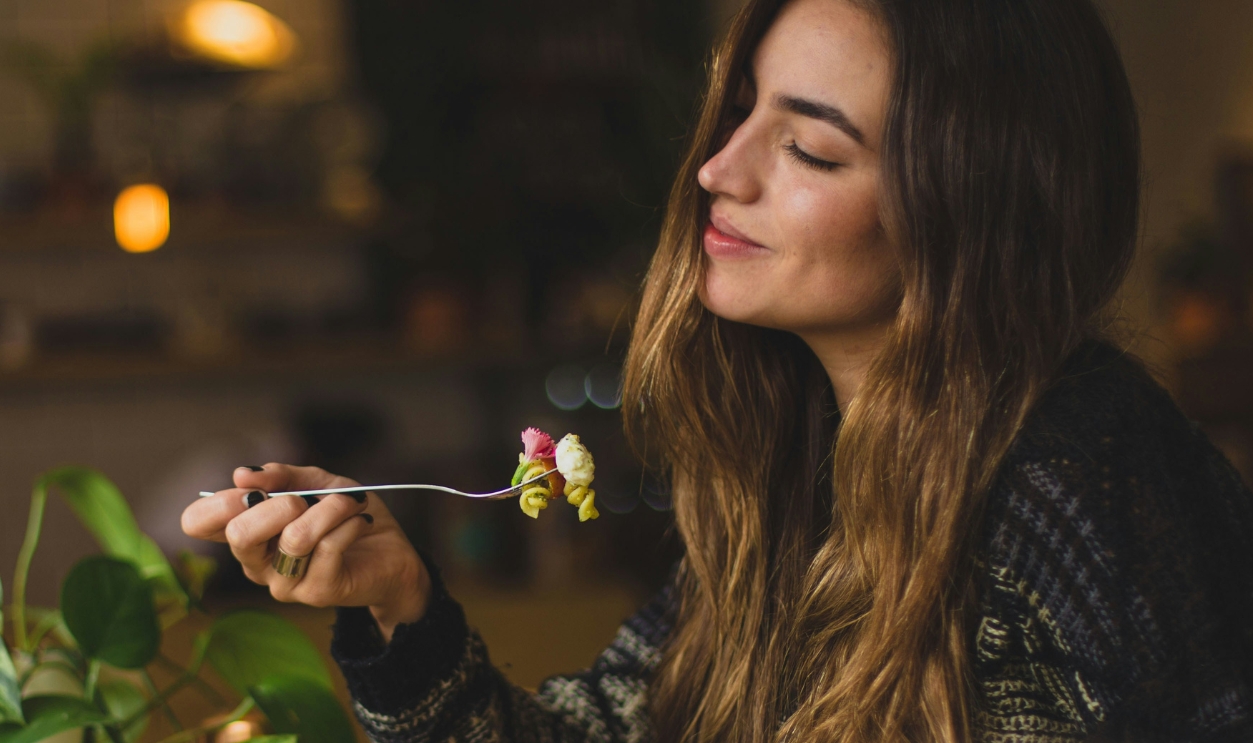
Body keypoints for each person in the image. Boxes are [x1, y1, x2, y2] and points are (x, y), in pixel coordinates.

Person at [181, 0, 1253, 739]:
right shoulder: (798, 464)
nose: (715, 166)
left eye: (810, 148)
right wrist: (397, 605)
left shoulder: (1073, 491)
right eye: (741, 108)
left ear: (971, 211)